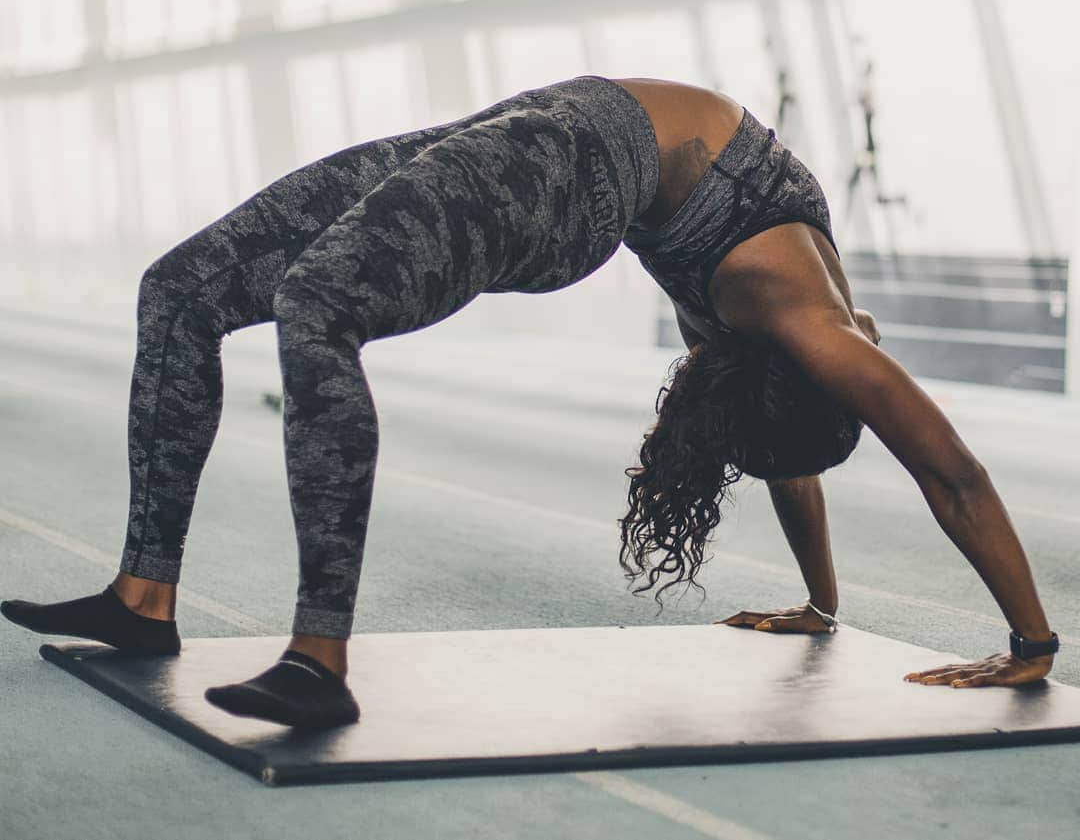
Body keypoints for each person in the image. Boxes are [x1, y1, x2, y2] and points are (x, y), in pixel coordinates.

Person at [1, 74, 1058, 731]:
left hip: (568, 163)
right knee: (179, 290)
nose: (867, 356)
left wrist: (1028, 642)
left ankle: (317, 658)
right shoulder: (792, 331)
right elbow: (878, 457)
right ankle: (144, 602)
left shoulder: (784, 319)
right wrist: (832, 604)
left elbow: (904, 467)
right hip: (542, 131)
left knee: (316, 303)